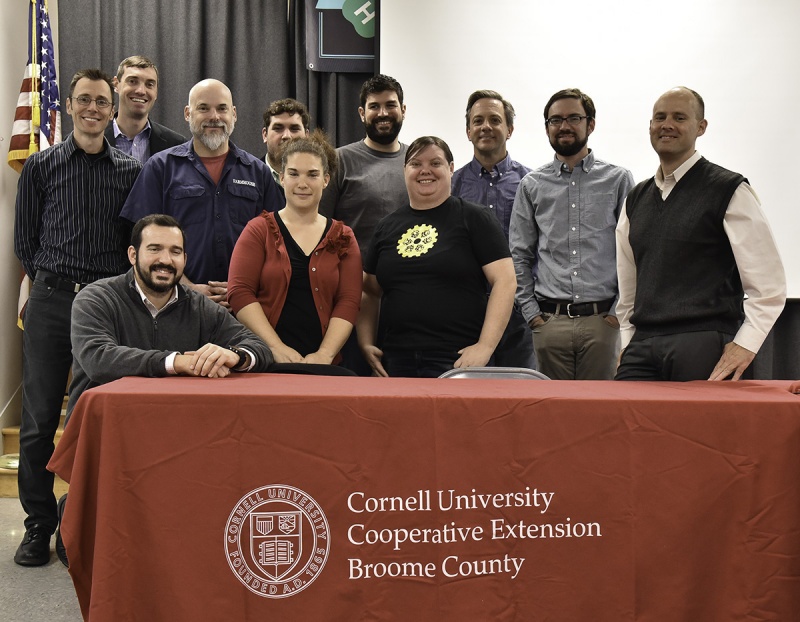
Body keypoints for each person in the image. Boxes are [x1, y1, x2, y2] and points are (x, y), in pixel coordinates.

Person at [12, 68, 142, 567]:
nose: (93, 108)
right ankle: (37, 525)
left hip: (103, 308)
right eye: (83, 100)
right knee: (38, 419)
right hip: (50, 300)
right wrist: (53, 282)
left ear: (112, 111)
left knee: (89, 417)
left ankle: (76, 521)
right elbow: (26, 241)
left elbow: (130, 243)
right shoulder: (42, 167)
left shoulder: (130, 172)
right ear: (68, 106)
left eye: (102, 102)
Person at [615, 87, 786, 381]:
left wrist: (746, 344)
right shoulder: (636, 199)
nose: (667, 124)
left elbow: (768, 285)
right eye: (660, 117)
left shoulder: (729, 189)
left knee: (698, 429)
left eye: (679, 117)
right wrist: (628, 342)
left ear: (700, 127)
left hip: (704, 344)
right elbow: (629, 287)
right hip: (641, 347)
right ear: (650, 126)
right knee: (627, 427)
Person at [358, 136, 516, 378]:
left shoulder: (474, 218)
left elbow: (505, 281)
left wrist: (485, 346)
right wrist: (366, 342)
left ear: (451, 169)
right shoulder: (386, 227)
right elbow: (369, 290)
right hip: (395, 361)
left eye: (435, 163)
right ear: (404, 170)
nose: (425, 171)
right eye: (415, 164)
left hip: (458, 360)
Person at [120, 79, 283, 308]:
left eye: (222, 108)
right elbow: (141, 239)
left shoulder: (258, 173)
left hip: (245, 306)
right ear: (188, 113)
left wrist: (246, 285)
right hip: (175, 304)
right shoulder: (161, 167)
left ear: (234, 114)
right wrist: (184, 285)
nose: (214, 116)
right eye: (203, 108)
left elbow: (276, 242)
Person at [509, 88, 634, 380]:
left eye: (573, 118)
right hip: (550, 323)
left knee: (601, 412)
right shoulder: (531, 185)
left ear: (590, 124)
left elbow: (633, 250)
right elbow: (519, 254)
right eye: (555, 120)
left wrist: (617, 312)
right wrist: (532, 314)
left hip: (603, 322)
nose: (564, 126)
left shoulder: (618, 180)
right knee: (552, 415)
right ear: (547, 128)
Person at [228, 132, 361, 366]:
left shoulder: (344, 237)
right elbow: (240, 292)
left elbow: (349, 300)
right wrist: (275, 347)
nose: (302, 183)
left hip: (325, 363)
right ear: (281, 178)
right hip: (266, 359)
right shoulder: (258, 230)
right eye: (293, 174)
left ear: (326, 180)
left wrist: (325, 354)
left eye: (312, 175)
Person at [319, 74, 409, 374]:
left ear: (403, 110)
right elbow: (321, 230)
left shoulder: (417, 162)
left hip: (404, 300)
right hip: (351, 299)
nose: (383, 113)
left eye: (390, 105)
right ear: (361, 113)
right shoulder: (339, 160)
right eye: (374, 106)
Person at [451, 89, 536, 369]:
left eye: (494, 120)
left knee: (522, 397)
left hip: (520, 315)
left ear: (509, 129)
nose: (485, 126)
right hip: (467, 311)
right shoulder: (452, 186)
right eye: (478, 121)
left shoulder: (531, 183)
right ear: (468, 131)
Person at [104, 55, 185, 163]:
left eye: (149, 84)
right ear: (116, 84)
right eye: (133, 81)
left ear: (156, 92)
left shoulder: (177, 146)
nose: (141, 91)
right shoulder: (94, 139)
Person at [261, 98, 310, 191]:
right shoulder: (249, 176)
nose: (286, 136)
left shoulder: (319, 180)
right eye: (278, 128)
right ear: (265, 135)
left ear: (307, 136)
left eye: (294, 129)